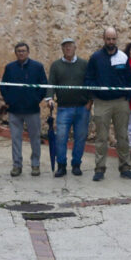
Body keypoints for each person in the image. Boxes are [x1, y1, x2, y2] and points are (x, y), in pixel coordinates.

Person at [84, 27, 131, 181]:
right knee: (101, 137)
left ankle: (125, 167)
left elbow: (128, 79)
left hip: (121, 102)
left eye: (113, 39)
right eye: (108, 39)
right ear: (104, 39)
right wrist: (95, 93)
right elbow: (88, 79)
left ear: (116, 39)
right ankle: (99, 169)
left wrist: (127, 96)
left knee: (123, 137)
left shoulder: (123, 57)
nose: (111, 42)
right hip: (102, 103)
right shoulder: (95, 58)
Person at [0, 42, 48, 177]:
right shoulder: (10, 68)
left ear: (28, 52)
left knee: (35, 138)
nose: (21, 53)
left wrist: (35, 99)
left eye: (23, 51)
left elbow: (43, 85)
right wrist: (9, 100)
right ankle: (17, 165)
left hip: (32, 110)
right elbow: (4, 86)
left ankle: (35, 164)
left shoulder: (37, 67)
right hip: (14, 110)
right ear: (15, 53)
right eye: (19, 51)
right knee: (15, 139)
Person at [46, 37, 91, 177]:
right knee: (61, 138)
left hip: (82, 108)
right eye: (65, 47)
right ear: (62, 49)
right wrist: (49, 98)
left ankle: (76, 164)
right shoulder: (56, 65)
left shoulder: (84, 64)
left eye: (70, 46)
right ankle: (61, 165)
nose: (68, 49)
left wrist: (90, 101)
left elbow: (90, 82)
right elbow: (51, 83)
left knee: (80, 137)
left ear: (75, 48)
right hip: (64, 108)